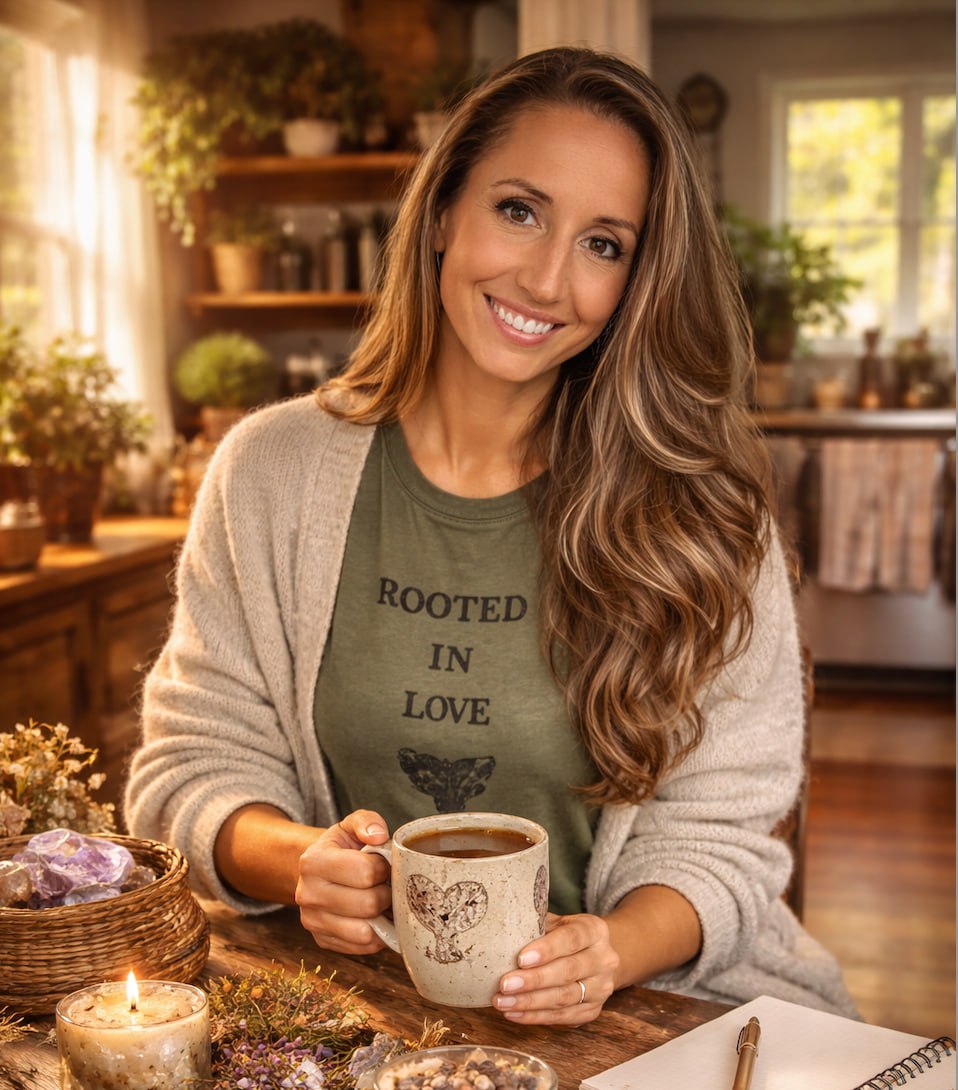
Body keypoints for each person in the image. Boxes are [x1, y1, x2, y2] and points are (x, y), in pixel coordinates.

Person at [126, 45, 857, 1026]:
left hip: (653, 1016)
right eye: (518, 210)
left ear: (638, 279)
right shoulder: (271, 471)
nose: (548, 279)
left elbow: (726, 837)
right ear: (441, 213)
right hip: (356, 1014)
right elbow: (191, 762)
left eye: (604, 244)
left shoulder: (702, 515)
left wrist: (608, 950)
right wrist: (302, 862)